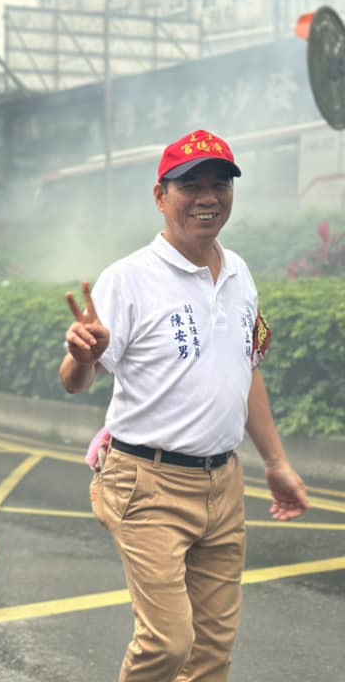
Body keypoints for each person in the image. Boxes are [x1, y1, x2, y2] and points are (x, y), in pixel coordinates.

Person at [59, 130, 310, 681]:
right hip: (147, 483)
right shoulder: (128, 279)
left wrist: (276, 462)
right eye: (189, 185)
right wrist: (83, 355)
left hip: (224, 483)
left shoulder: (240, 274)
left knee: (212, 653)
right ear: (160, 196)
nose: (207, 197)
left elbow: (247, 373)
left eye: (219, 184)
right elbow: (76, 382)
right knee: (169, 643)